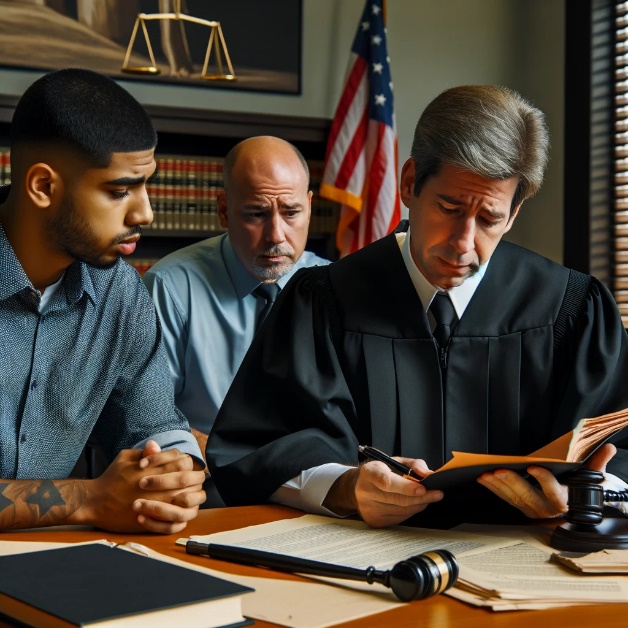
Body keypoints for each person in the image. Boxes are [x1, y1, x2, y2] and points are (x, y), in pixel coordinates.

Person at [206, 85, 628, 529]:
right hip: (366, 567)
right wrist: (346, 487)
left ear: (515, 213)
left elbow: (620, 453)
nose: (464, 244)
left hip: (524, 565)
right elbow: (253, 448)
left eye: (489, 219)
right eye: (449, 207)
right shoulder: (324, 300)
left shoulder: (571, 309)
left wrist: (583, 496)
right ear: (409, 184)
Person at [0, 68, 206, 533]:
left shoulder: (119, 289)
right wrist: (86, 498)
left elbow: (153, 424)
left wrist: (175, 474)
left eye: (146, 184)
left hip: (60, 566)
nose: (145, 212)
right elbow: (95, 498)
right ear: (43, 187)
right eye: (119, 191)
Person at [143, 136, 330, 456]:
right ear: (224, 211)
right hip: (210, 480)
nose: (276, 235)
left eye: (291, 213)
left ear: (309, 208)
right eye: (256, 214)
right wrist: (245, 465)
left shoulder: (333, 286)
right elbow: (149, 417)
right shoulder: (170, 287)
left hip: (313, 478)